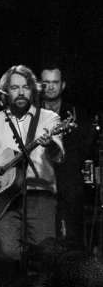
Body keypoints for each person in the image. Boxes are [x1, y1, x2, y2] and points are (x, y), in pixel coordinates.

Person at [0, 65, 63, 261]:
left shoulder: (50, 118)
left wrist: (50, 144)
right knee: (7, 252)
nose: (21, 92)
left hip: (39, 195)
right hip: (3, 200)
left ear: (32, 90)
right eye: (15, 87)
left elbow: (58, 154)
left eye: (26, 87)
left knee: (45, 253)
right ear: (5, 92)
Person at [39, 63, 96, 249]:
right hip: (39, 177)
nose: (51, 86)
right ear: (40, 85)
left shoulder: (76, 113)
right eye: (46, 82)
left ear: (63, 85)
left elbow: (86, 146)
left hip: (69, 178)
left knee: (72, 236)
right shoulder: (32, 113)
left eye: (55, 82)